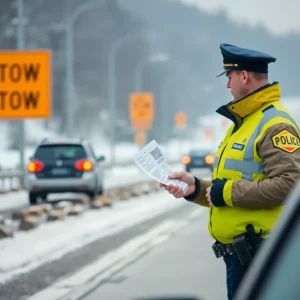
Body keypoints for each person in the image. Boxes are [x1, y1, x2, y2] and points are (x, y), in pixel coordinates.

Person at [160, 43, 300, 300]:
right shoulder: (246, 122)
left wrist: (226, 192)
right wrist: (197, 188)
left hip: (260, 255)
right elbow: (232, 188)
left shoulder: (274, 124)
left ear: (243, 76)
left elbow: (290, 186)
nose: (227, 85)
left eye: (229, 77)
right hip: (242, 256)